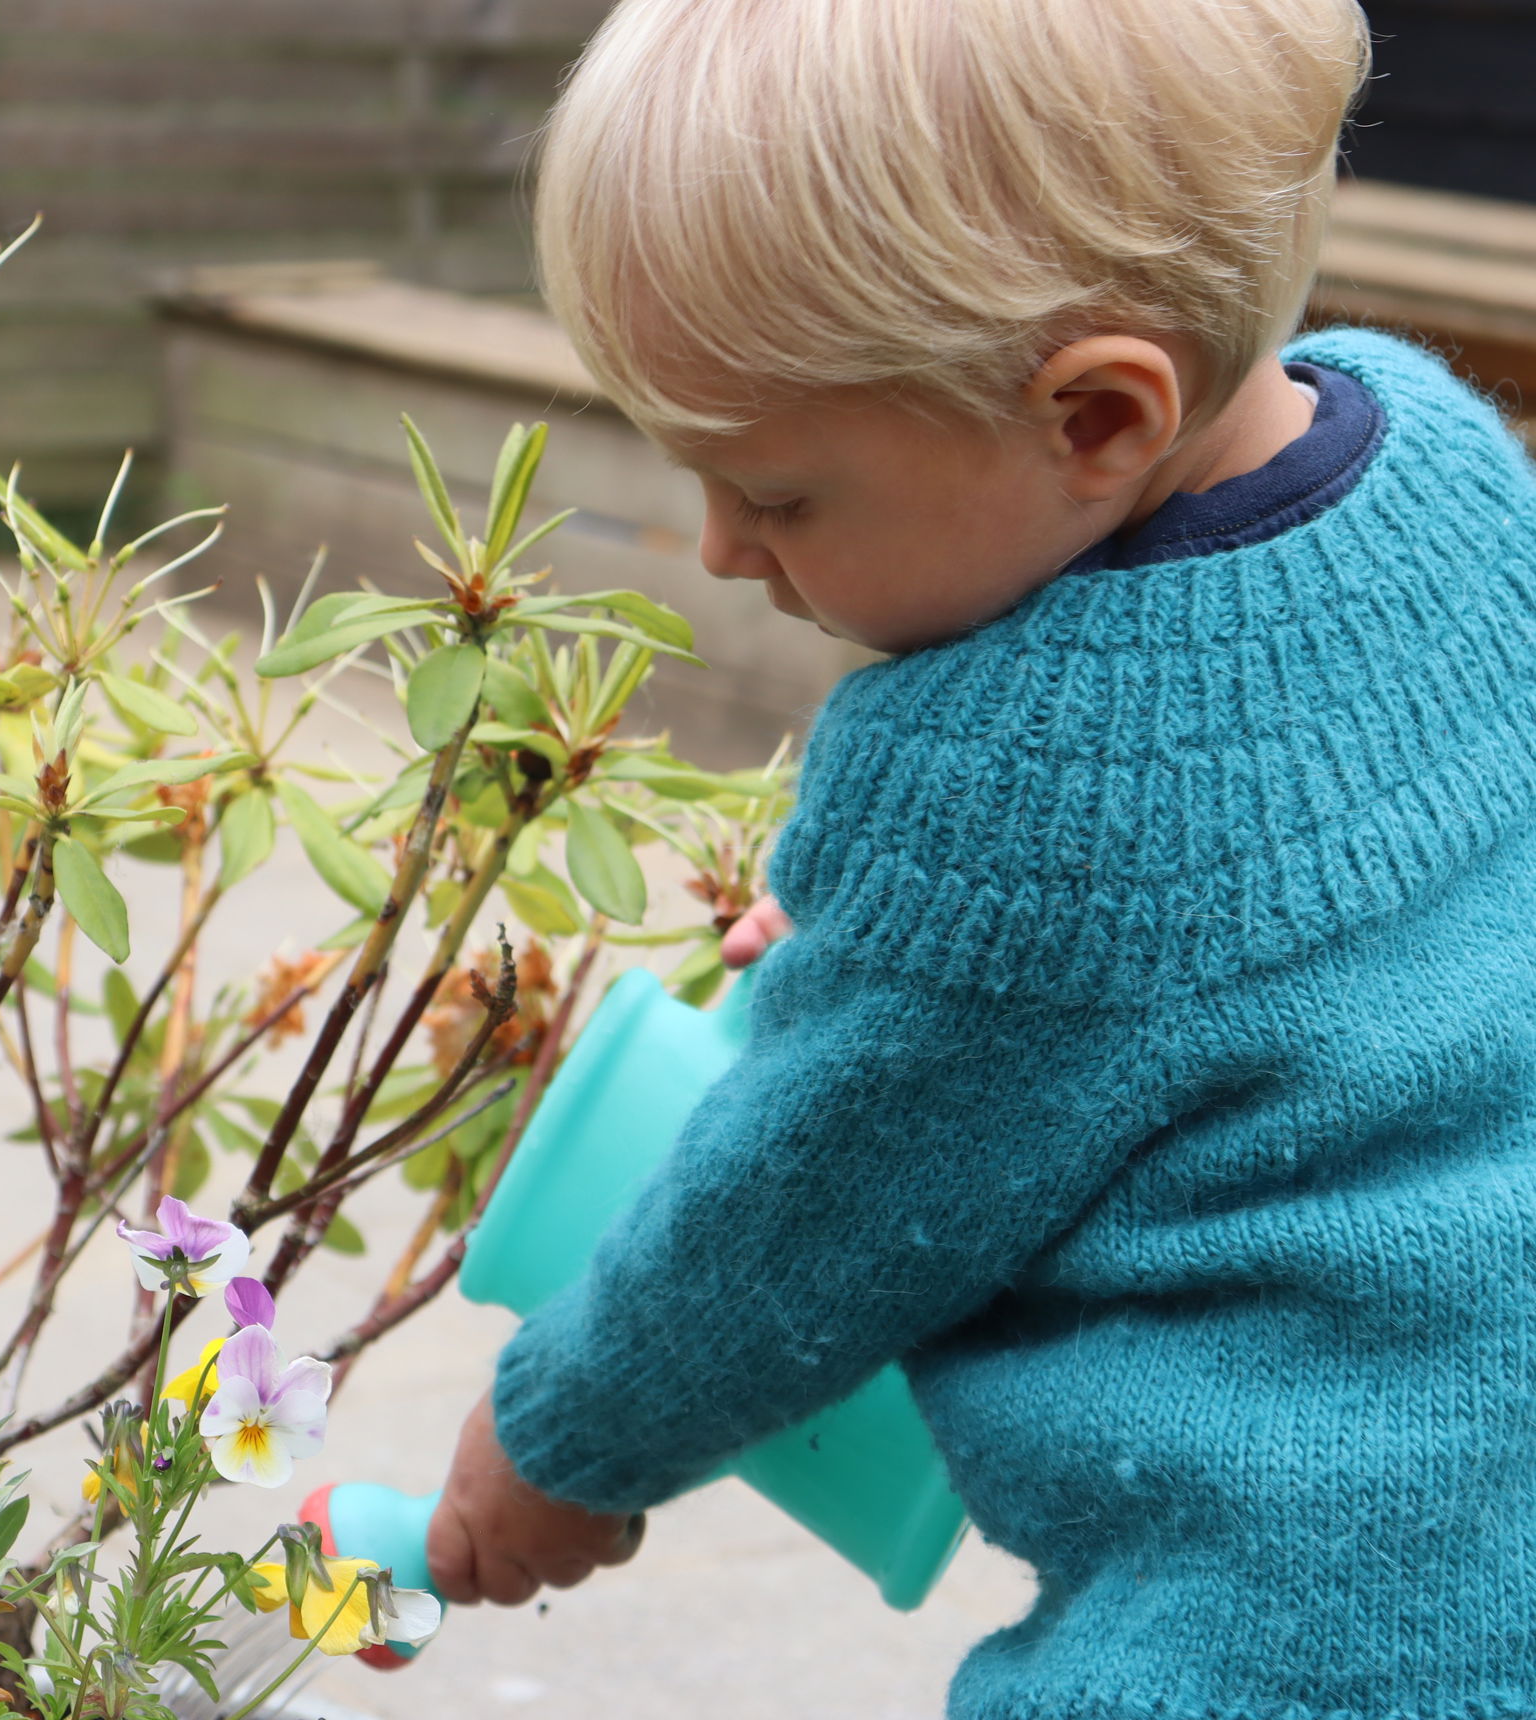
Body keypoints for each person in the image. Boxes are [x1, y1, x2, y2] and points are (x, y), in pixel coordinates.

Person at [426, 0, 1536, 1712]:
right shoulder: (1446, 453)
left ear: (1096, 421)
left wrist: (558, 1439)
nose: (721, 547)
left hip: (1304, 1625)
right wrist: (930, 956)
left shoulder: (1003, 776)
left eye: (777, 496)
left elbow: (796, 1225)